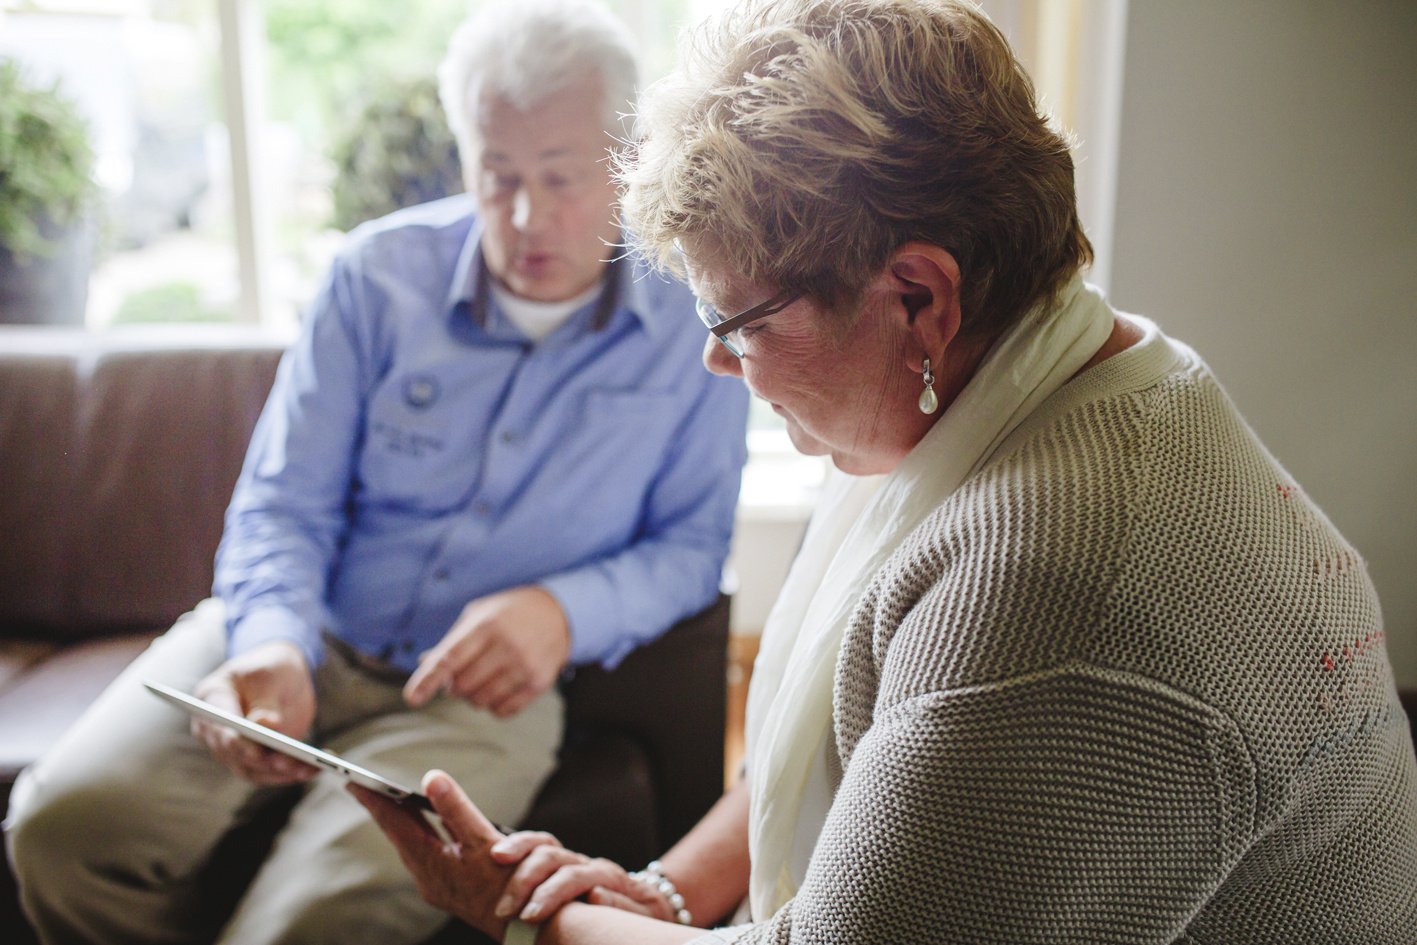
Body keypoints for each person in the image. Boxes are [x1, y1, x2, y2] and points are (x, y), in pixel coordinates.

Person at [350, 1, 1417, 943]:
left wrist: (525, 916)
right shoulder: (1017, 379)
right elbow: (882, 761)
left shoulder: (1051, 588)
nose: (714, 359)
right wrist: (663, 894)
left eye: (738, 321)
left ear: (917, 295)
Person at [3, 2, 749, 943]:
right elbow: (282, 504)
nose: (525, 217)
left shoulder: (697, 320)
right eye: (497, 175)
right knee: (57, 831)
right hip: (308, 634)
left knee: (305, 926)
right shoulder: (370, 279)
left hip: (478, 705)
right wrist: (270, 637)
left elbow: (689, 549)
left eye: (560, 178)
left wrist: (563, 610)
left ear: (626, 157)